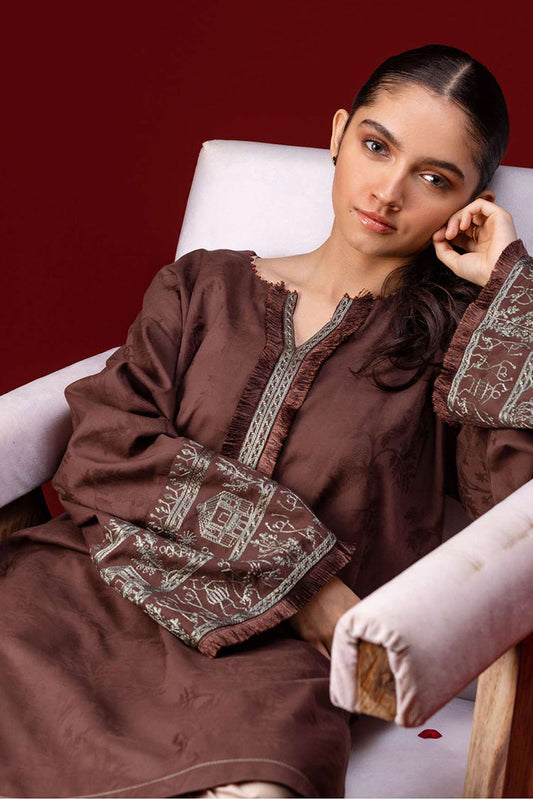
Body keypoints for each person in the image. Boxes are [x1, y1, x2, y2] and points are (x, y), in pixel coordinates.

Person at [1, 42, 532, 799]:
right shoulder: (202, 286)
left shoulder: (455, 346)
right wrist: (308, 578)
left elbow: (514, 503)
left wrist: (509, 285)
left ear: (470, 204)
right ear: (338, 133)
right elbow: (105, 446)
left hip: (272, 660)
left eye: (433, 178)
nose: (387, 191)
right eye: (376, 147)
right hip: (86, 592)